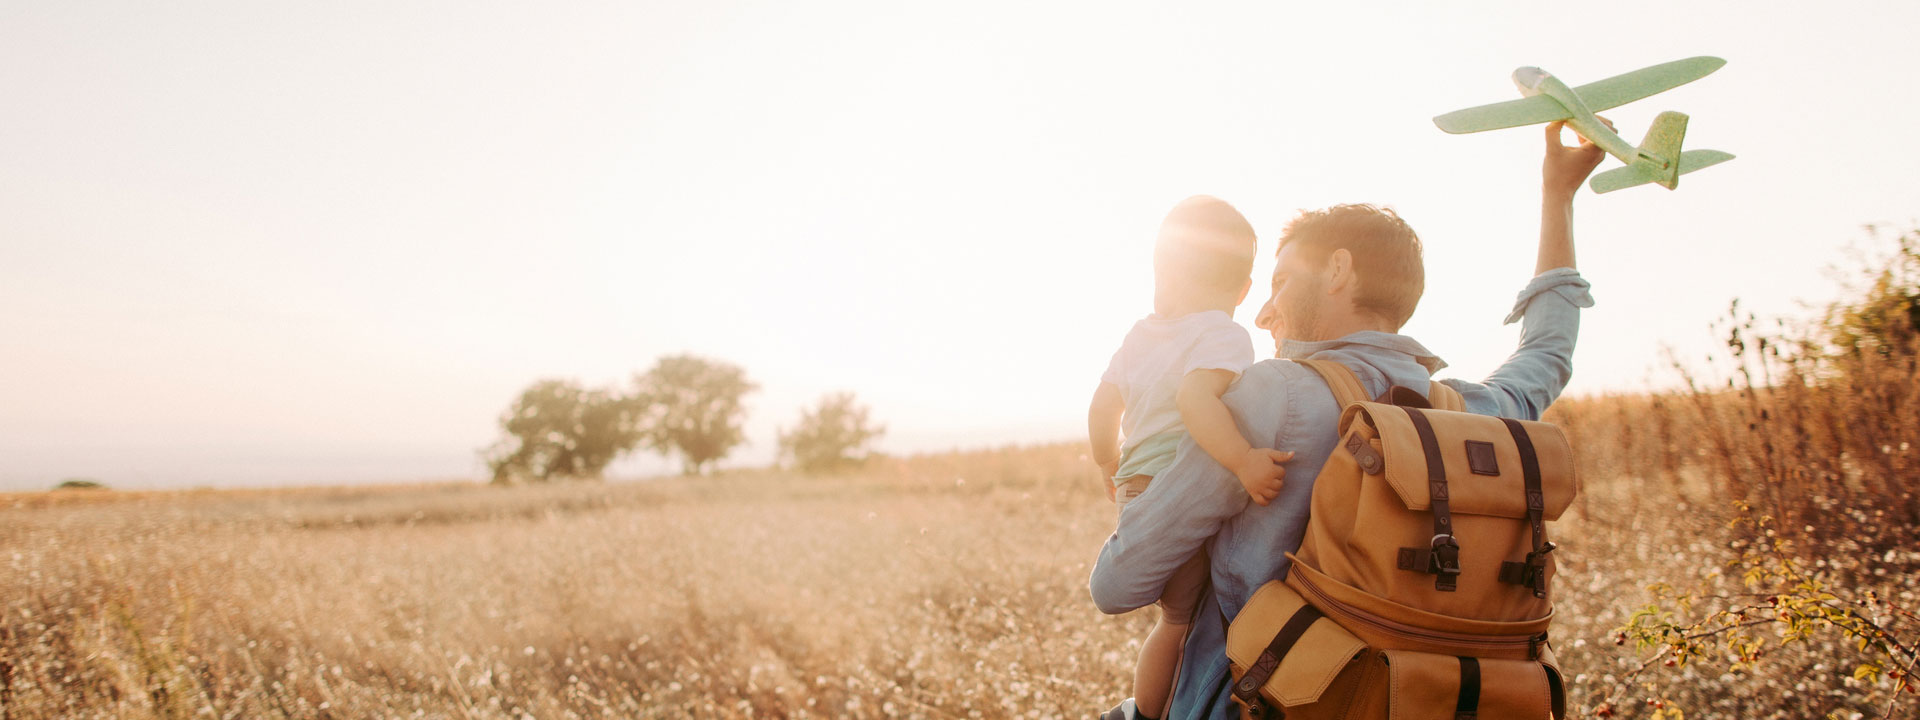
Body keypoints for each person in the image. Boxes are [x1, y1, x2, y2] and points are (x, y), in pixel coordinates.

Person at [1089, 118, 1611, 720]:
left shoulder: (1271, 395)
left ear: (1337, 272)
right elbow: (1548, 354)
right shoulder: (1466, 416)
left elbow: (1117, 584)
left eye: (1280, 281)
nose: (1263, 314)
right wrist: (1558, 195)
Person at [1088, 195, 1296, 720]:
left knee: (1172, 616)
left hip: (1136, 485)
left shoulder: (1141, 334)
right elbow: (1194, 400)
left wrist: (1107, 462)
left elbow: (1102, 404)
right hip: (1174, 483)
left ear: (1162, 272)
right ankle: (1154, 714)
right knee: (1180, 622)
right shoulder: (1223, 334)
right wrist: (1245, 460)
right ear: (1245, 290)